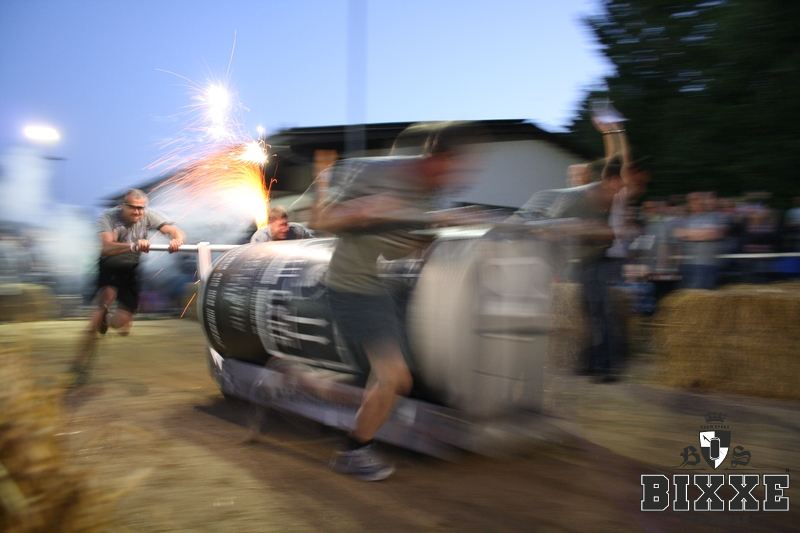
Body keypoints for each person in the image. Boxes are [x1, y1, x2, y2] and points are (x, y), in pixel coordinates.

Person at [309, 122, 481, 481]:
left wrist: (429, 237)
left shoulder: (430, 197)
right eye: (458, 167)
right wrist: (365, 209)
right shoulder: (375, 173)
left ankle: (309, 389)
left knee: (395, 376)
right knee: (393, 376)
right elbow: (321, 220)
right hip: (348, 284)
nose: (460, 178)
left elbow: (393, 249)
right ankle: (353, 452)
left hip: (376, 285)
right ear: (438, 157)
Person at [70, 189, 184, 386]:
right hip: (110, 267)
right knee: (99, 313)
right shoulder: (108, 217)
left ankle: (107, 320)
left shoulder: (148, 215)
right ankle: (79, 366)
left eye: (141, 208)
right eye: (133, 208)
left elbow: (173, 230)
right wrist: (133, 245)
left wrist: (177, 240)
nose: (138, 212)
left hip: (130, 270)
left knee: (122, 324)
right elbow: (106, 247)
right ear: (123, 206)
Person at [250, 205, 314, 243]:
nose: (286, 229)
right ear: (271, 224)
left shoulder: (298, 230)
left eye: (286, 224)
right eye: (281, 225)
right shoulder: (260, 238)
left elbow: (313, 244)